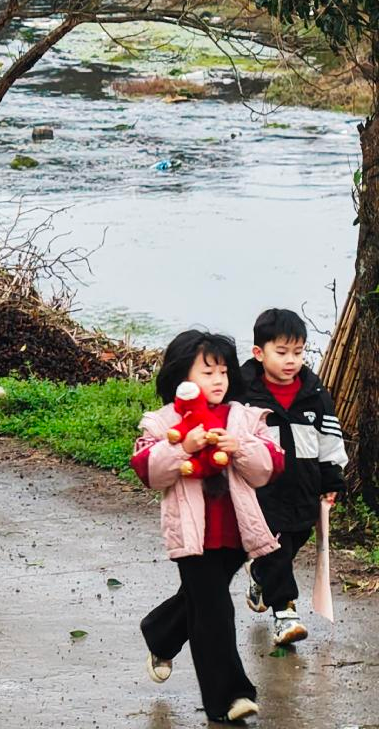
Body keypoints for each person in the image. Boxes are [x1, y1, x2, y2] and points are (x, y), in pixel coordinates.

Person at [132, 330, 285, 724]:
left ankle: (161, 632)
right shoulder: (163, 421)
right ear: (182, 375)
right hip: (192, 536)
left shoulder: (244, 417)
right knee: (216, 610)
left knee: (201, 602)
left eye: (223, 371)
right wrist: (184, 447)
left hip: (237, 533)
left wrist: (240, 447)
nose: (218, 380)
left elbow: (270, 467)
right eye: (207, 372)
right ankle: (230, 698)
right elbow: (148, 471)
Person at [241, 308, 348, 646]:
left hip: (304, 486)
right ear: (259, 353)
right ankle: (285, 614)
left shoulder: (314, 395)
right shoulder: (245, 395)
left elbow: (329, 439)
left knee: (295, 538)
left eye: (298, 352)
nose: (291, 360)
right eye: (282, 352)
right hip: (262, 490)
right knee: (275, 546)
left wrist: (331, 479)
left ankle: (260, 573)